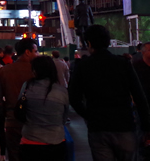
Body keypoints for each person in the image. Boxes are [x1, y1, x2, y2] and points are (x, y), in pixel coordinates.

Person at [70, 24, 150, 160]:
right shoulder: (123, 64)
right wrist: (146, 126)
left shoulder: (83, 66)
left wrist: (89, 116)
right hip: (124, 125)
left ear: (89, 43)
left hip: (98, 127)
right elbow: (139, 96)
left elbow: (74, 98)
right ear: (108, 42)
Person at [18, 56, 69, 160]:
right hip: (56, 140)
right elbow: (64, 117)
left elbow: (20, 107)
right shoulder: (61, 91)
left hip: (30, 140)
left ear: (35, 70)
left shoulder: (27, 86)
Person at [0, 38, 38, 161]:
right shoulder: (36, 71)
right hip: (34, 120)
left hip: (12, 120)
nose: (37, 54)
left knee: (15, 154)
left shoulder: (4, 71)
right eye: (35, 51)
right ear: (27, 52)